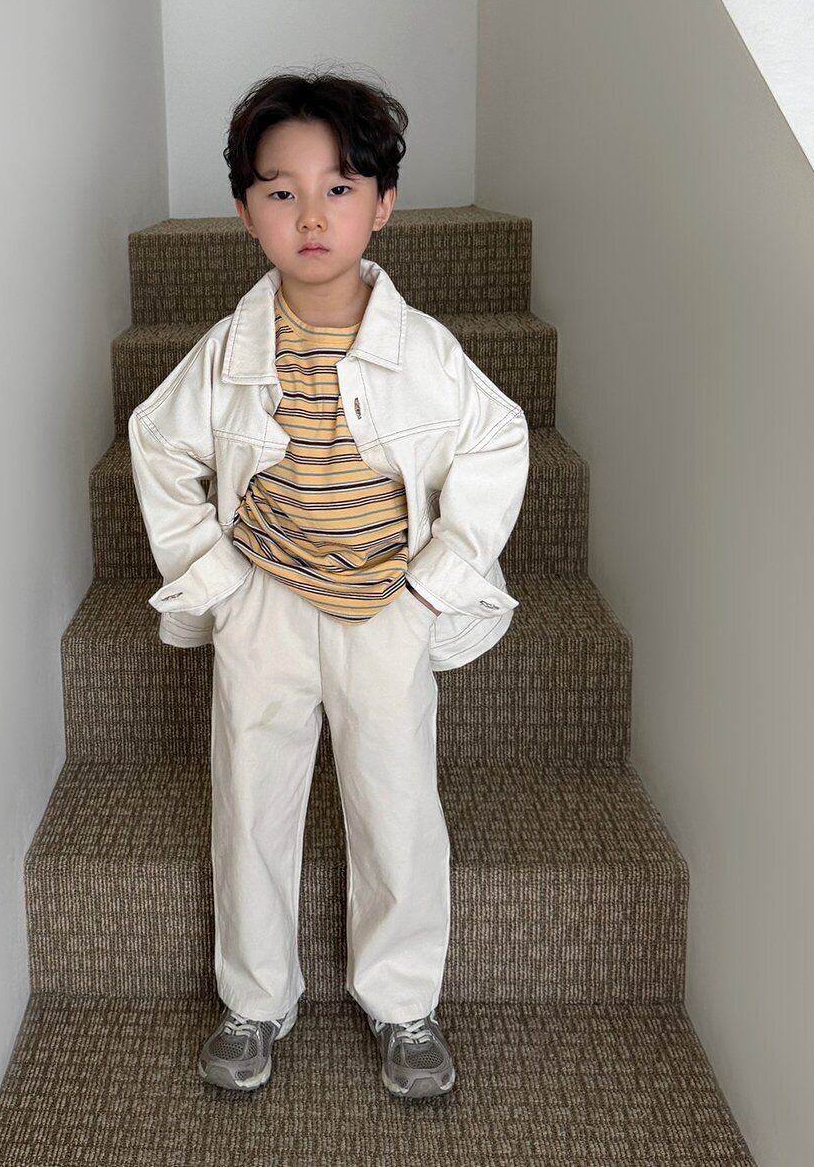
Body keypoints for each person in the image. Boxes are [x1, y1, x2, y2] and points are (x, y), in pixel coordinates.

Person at [127, 70, 530, 1098]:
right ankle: (254, 998)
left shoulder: (425, 353)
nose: (312, 216)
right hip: (264, 602)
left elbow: (498, 441)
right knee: (251, 800)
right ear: (245, 212)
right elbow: (158, 442)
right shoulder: (227, 354)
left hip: (385, 608)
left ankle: (403, 1001)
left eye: (339, 188)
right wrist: (216, 580)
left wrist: (438, 584)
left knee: (395, 804)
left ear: (382, 204)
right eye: (282, 191)